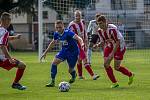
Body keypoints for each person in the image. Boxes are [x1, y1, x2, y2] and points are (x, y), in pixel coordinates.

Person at [40, 20, 84, 87]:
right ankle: (52, 81)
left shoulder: (68, 32)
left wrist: (82, 43)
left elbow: (78, 38)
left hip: (73, 52)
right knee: (54, 63)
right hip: (64, 51)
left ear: (63, 26)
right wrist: (45, 52)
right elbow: (53, 43)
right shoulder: (56, 33)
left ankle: (73, 75)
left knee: (70, 70)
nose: (58, 29)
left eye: (60, 27)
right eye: (56, 27)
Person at [94, 15, 134, 88]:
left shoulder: (112, 29)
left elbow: (117, 42)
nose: (99, 25)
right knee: (106, 64)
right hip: (110, 45)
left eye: (101, 23)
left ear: (105, 22)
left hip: (119, 46)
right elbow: (103, 41)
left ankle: (130, 74)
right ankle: (115, 83)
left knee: (117, 67)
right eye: (98, 23)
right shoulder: (99, 31)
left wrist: (112, 54)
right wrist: (97, 44)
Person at [68, 10, 99, 80]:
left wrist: (86, 41)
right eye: (76, 16)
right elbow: (69, 35)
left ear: (81, 16)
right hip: (76, 45)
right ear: (74, 16)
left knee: (79, 60)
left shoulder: (83, 22)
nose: (78, 17)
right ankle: (93, 75)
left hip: (83, 44)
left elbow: (84, 32)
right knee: (85, 59)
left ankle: (80, 76)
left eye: (79, 15)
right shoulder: (71, 25)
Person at [0, 12, 26, 90]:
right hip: (2, 58)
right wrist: (10, 58)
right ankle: (15, 83)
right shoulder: (5, 31)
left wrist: (15, 37)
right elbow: (2, 46)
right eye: (10, 19)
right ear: (6, 20)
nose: (10, 21)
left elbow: (5, 38)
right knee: (22, 65)